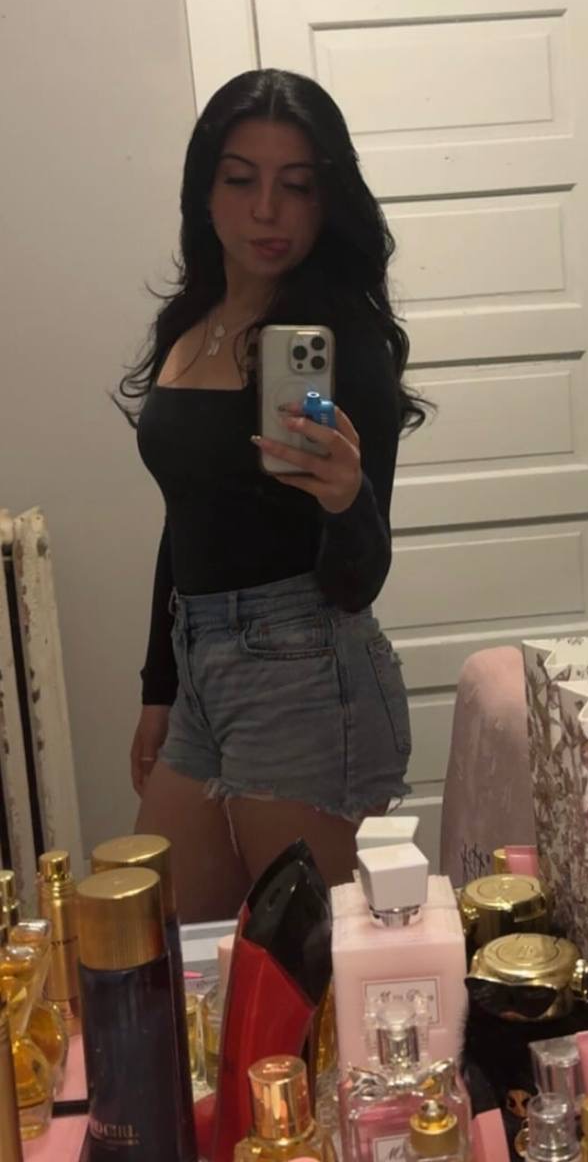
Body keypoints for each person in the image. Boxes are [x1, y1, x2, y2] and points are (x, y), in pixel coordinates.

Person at [116, 69, 427, 922]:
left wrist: (344, 496)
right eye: (240, 179)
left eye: (296, 186)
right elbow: (184, 517)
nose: (266, 211)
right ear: (203, 190)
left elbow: (358, 580)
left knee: (310, 968)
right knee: (171, 945)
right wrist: (159, 686)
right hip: (201, 667)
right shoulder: (190, 321)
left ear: (327, 201)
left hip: (305, 670)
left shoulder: (345, 343)